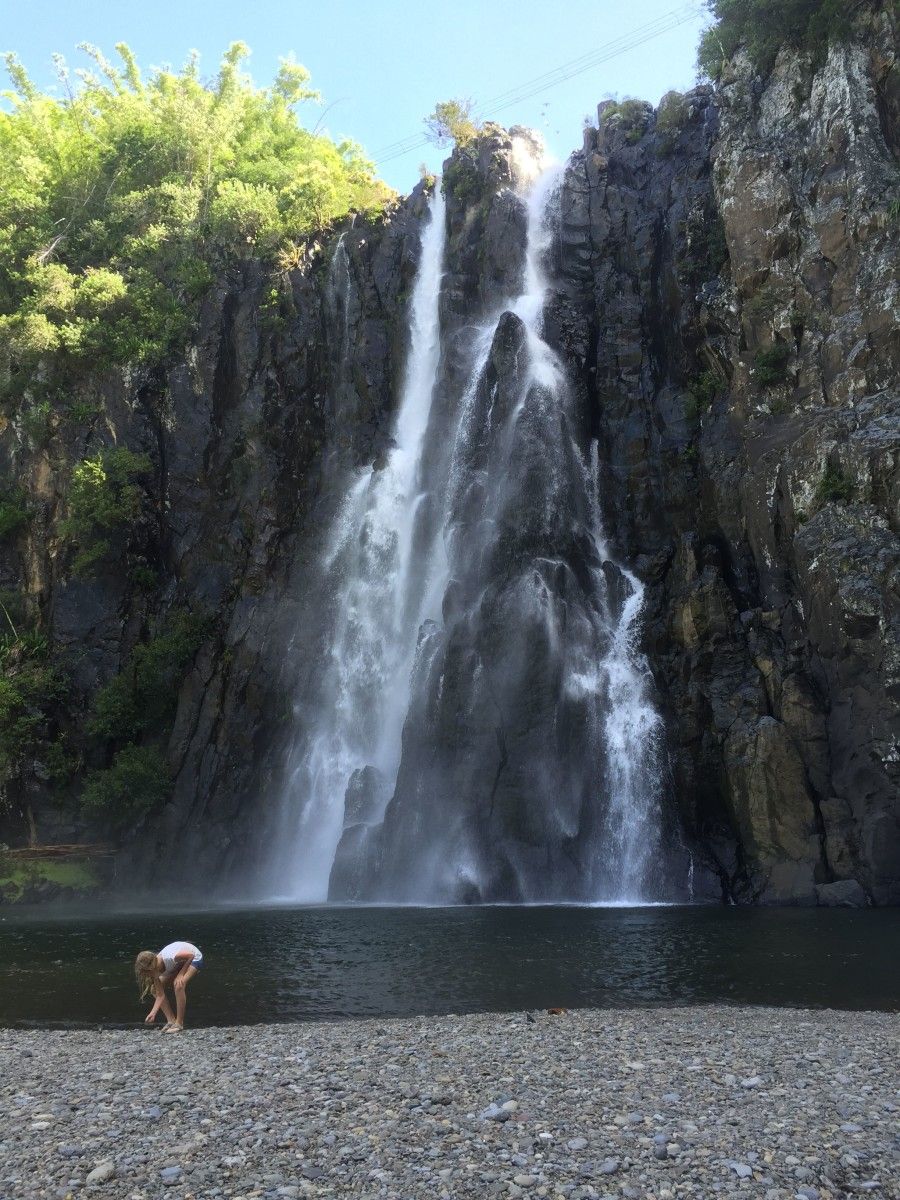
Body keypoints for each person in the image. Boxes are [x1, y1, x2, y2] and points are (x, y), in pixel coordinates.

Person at [134, 940, 203, 1032]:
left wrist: (180, 974)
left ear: (151, 967)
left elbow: (190, 955)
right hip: (179, 963)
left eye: (146, 972)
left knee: (179, 984)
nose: (146, 975)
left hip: (193, 957)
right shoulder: (154, 970)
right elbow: (160, 994)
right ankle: (171, 1021)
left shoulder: (170, 957)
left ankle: (179, 1024)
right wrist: (153, 1013)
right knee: (154, 989)